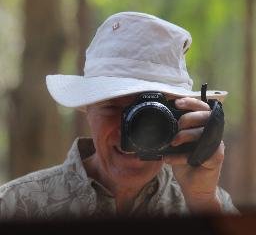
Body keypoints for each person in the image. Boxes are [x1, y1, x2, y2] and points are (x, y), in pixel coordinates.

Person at [0, 12, 238, 220]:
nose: (131, 127)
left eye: (150, 113)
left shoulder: (208, 204)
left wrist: (202, 202)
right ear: (88, 110)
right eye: (112, 107)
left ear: (182, 115)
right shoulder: (17, 205)